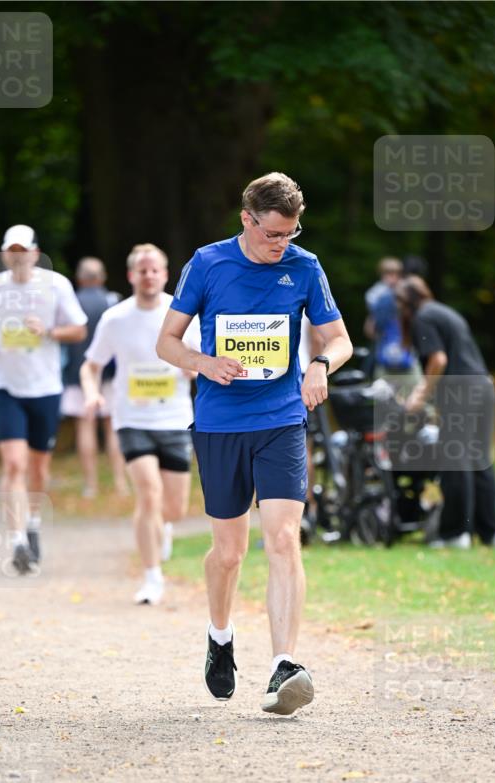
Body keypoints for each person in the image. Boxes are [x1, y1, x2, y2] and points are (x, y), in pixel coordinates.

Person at [157, 172, 352, 716]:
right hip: (220, 422)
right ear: (247, 219)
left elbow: (340, 340)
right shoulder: (208, 263)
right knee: (229, 552)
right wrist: (205, 363)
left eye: (290, 234)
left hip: (282, 418)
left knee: (284, 538)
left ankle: (284, 665)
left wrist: (318, 364)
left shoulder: (304, 267)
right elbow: (167, 342)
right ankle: (219, 636)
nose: (281, 244)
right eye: (272, 234)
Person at [0, 225, 87, 573]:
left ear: (35, 252)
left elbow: (79, 329)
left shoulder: (55, 285)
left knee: (38, 467)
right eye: (11, 250)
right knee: (14, 464)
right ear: (5, 253)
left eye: (23, 249)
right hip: (4, 384)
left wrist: (48, 331)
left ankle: (32, 521)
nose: (17, 255)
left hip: (45, 387)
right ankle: (16, 540)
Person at [81, 243, 200, 605]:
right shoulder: (115, 318)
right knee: (148, 493)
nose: (148, 276)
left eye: (155, 270)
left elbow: (199, 361)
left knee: (174, 508)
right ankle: (152, 578)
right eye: (142, 270)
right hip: (131, 418)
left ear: (165, 275)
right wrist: (91, 393)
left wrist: (191, 367)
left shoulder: (180, 314)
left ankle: (164, 527)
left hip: (176, 418)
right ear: (131, 275)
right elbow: (91, 365)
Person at [396, 275, 495, 549]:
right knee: (479, 459)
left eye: (398, 303)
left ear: (406, 302)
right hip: (482, 385)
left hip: (461, 390)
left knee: (454, 460)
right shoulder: (444, 311)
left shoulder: (423, 317)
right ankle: (492, 532)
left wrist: (418, 397)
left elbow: (438, 359)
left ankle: (456, 533)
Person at [61, 257, 128, 498]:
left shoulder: (72, 302)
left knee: (85, 425)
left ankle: (90, 485)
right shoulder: (114, 301)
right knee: (112, 427)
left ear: (79, 278)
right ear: (102, 277)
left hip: (79, 372)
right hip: (111, 373)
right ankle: (121, 483)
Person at [364, 257, 419, 390]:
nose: (392, 278)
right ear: (382, 274)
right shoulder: (375, 294)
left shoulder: (409, 291)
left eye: (396, 273)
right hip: (385, 354)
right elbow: (371, 329)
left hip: (409, 357)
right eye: (388, 273)